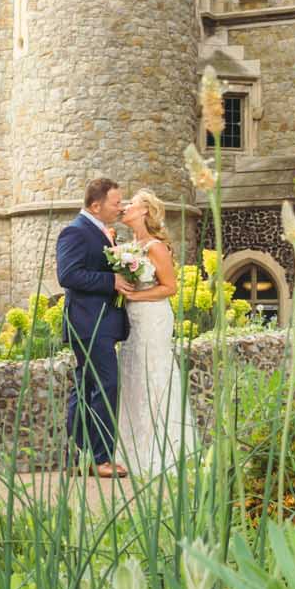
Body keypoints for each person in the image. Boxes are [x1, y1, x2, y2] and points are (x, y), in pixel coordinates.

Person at [111, 188, 193, 475]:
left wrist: (135, 297)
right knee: (132, 376)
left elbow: (170, 288)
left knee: (153, 374)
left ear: (145, 210)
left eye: (130, 203)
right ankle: (131, 451)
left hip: (153, 317)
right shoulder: (128, 245)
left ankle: (163, 452)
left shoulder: (156, 246)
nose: (124, 207)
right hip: (132, 319)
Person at [54, 175, 129, 478]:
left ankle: (79, 455)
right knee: (106, 385)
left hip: (99, 322)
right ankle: (101, 458)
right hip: (89, 322)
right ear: (96, 205)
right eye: (116, 203)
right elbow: (68, 275)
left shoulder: (98, 231)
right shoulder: (75, 232)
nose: (120, 208)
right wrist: (112, 280)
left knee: (85, 389)